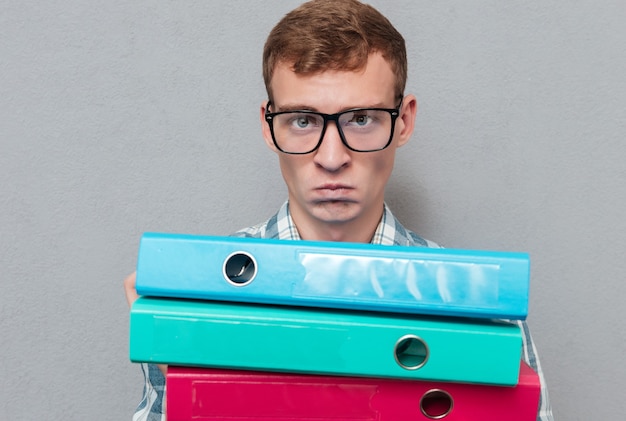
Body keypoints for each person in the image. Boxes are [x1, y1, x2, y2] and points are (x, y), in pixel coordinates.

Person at [124, 1, 554, 420]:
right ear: (267, 125)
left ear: (403, 121)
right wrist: (207, 396)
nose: (332, 158)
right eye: (303, 120)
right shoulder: (193, 304)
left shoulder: (483, 313)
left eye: (362, 119)